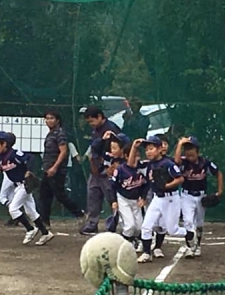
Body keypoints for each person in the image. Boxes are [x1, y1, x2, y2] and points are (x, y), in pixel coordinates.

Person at [0, 131, 53, 246]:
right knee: (31, 211)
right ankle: (45, 233)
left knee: (13, 209)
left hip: (25, 185)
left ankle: (30, 229)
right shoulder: (0, 156)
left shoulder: (14, 154)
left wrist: (29, 171)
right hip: (19, 186)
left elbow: (31, 158)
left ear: (4, 144)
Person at [131, 136, 187, 263]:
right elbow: (132, 164)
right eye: (147, 150)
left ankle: (190, 232)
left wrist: (167, 185)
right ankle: (147, 253)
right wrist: (134, 147)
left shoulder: (168, 163)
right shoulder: (149, 164)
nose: (148, 152)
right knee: (146, 227)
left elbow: (180, 179)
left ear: (160, 149)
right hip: (157, 198)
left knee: (173, 230)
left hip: (171, 199)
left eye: (151, 148)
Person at [174, 136, 223, 258]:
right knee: (188, 221)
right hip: (186, 195)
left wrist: (220, 191)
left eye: (191, 152)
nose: (189, 155)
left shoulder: (205, 163)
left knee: (199, 223)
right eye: (186, 151)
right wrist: (180, 144)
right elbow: (176, 161)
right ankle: (190, 247)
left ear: (198, 151)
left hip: (201, 196)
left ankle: (198, 245)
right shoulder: (184, 162)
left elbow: (218, 173)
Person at [39, 110, 85, 228]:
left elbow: (63, 152)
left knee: (60, 195)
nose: (49, 121)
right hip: (47, 169)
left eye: (52, 118)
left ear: (57, 120)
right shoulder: (50, 134)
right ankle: (45, 222)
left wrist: (55, 167)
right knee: (45, 196)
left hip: (57, 170)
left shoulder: (60, 134)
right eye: (47, 118)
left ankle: (80, 214)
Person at [79, 106, 121, 235]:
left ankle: (116, 223)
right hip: (96, 168)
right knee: (93, 195)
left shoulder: (111, 129)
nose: (91, 124)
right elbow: (94, 148)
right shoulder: (95, 130)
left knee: (112, 197)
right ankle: (92, 224)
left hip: (108, 168)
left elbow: (119, 148)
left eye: (92, 121)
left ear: (99, 117)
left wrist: (115, 165)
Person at [110, 141, 147, 251]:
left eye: (138, 156)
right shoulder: (121, 170)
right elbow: (113, 186)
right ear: (126, 156)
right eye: (134, 156)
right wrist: (114, 201)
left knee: (139, 227)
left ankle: (134, 239)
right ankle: (124, 245)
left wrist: (143, 197)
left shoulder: (141, 168)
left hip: (136, 200)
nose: (136, 158)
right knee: (130, 225)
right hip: (123, 199)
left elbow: (146, 184)